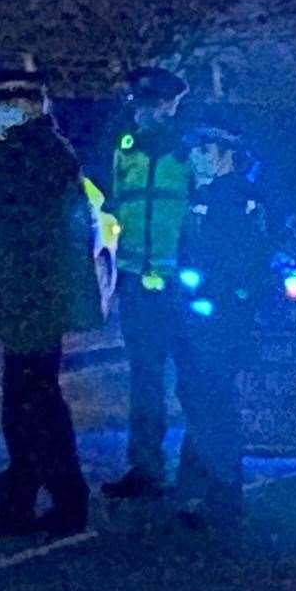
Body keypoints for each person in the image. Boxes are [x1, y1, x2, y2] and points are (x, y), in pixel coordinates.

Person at [0, 70, 106, 538]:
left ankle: (64, 501)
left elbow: (27, 230)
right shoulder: (30, 150)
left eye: (3, 105)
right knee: (25, 407)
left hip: (34, 301)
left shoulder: (34, 154)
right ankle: (23, 500)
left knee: (36, 406)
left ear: (26, 105)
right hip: (27, 301)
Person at [172, 112, 270, 530]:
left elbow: (244, 263)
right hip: (195, 312)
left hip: (223, 315)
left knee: (215, 399)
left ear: (229, 154)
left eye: (206, 149)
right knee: (197, 394)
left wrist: (222, 300)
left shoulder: (239, 199)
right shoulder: (204, 195)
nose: (197, 157)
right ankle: (197, 481)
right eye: (195, 149)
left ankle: (222, 488)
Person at [103, 67, 190, 500]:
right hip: (137, 281)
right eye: (140, 106)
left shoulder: (188, 152)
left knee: (194, 376)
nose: (144, 115)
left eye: (153, 106)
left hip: (182, 284)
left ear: (170, 106)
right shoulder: (126, 150)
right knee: (145, 377)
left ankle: (200, 467)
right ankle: (145, 466)